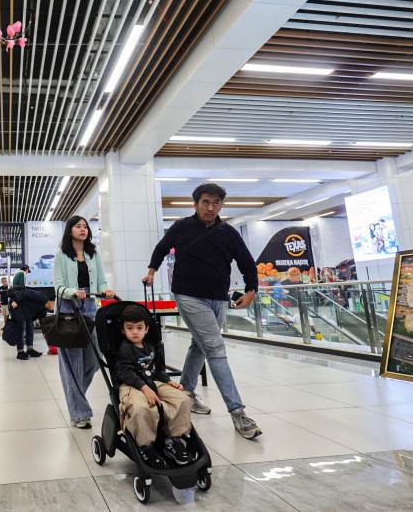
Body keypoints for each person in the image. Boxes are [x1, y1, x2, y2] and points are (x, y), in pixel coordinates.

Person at [144, 183, 262, 440]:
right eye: (206, 202)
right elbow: (161, 248)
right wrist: (152, 270)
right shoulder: (181, 227)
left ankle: (185, 392)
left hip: (218, 298)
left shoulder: (229, 233)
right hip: (188, 294)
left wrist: (252, 290)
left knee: (200, 346)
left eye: (216, 203)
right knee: (216, 348)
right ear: (196, 204)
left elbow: (246, 262)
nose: (211, 207)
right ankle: (238, 411)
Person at [54, 215, 115, 429]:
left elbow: (101, 279)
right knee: (72, 364)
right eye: (78, 226)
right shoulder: (62, 254)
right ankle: (80, 413)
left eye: (85, 226)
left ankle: (75, 397)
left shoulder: (93, 253)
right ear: (70, 230)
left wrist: (106, 288)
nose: (83, 229)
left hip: (90, 306)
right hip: (67, 308)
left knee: (93, 359)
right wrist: (74, 292)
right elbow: (58, 286)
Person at [115, 305, 193, 468]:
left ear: (146, 329)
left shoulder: (150, 346)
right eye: (130, 328)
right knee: (142, 408)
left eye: (139, 328)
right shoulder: (125, 349)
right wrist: (144, 388)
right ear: (122, 330)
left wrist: (168, 381)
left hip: (153, 382)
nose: (135, 332)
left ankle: (173, 438)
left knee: (183, 399)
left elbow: (158, 370)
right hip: (132, 385)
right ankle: (145, 446)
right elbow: (125, 373)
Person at [6, 286, 51, 360]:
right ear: (49, 301)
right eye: (52, 304)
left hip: (25, 309)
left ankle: (30, 350)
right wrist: (15, 301)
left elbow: (40, 319)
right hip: (15, 305)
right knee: (21, 328)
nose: (53, 307)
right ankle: (20, 352)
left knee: (30, 327)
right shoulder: (41, 296)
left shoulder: (45, 308)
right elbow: (25, 293)